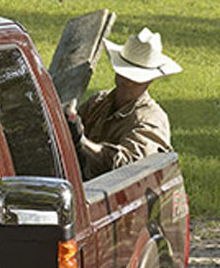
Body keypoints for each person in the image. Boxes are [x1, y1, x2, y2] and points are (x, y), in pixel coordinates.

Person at [74, 27, 179, 174]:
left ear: (151, 80)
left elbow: (128, 168)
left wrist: (82, 142)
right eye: (125, 73)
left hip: (115, 193)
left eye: (136, 78)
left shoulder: (151, 120)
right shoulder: (98, 102)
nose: (128, 81)